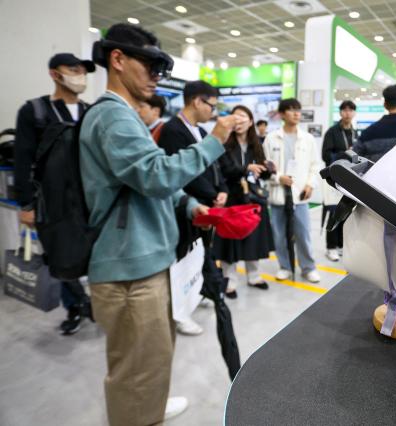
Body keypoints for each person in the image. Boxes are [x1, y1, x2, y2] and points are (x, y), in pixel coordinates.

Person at [79, 23, 239, 425]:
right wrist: (214, 141)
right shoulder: (113, 117)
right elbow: (154, 175)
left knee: (149, 360)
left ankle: (147, 404)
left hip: (143, 262)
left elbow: (148, 182)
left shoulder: (125, 117)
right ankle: (139, 413)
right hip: (128, 269)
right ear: (117, 60)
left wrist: (189, 207)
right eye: (149, 65)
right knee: (136, 369)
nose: (156, 76)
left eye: (159, 67)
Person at [14, 52, 95, 335]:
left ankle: (94, 303)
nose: (79, 75)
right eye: (72, 69)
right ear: (54, 73)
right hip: (51, 199)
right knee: (60, 255)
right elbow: (22, 160)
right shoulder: (35, 111)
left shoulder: (90, 111)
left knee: (91, 252)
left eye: (83, 70)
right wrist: (25, 203)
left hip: (88, 199)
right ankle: (75, 305)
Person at [157, 80, 229, 335]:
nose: (213, 111)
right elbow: (183, 173)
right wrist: (210, 194)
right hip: (183, 206)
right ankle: (179, 313)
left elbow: (212, 165)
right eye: (211, 105)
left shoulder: (199, 130)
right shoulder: (172, 131)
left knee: (199, 254)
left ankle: (199, 291)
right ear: (197, 101)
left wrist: (221, 190)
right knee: (182, 260)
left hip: (203, 206)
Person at [214, 105, 274, 297]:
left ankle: (254, 275)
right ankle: (229, 280)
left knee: (254, 239)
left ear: (250, 122)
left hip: (253, 200)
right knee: (229, 241)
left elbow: (261, 175)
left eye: (242, 118)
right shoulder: (224, 143)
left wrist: (268, 170)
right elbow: (224, 170)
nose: (238, 122)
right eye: (235, 117)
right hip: (231, 199)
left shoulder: (257, 146)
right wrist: (246, 168)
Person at [263, 98, 322, 283]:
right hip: (279, 194)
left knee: (303, 234)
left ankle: (308, 267)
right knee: (279, 235)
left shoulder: (308, 139)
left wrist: (310, 184)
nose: (296, 113)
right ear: (281, 114)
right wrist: (278, 177)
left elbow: (315, 165)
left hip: (300, 195)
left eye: (298, 109)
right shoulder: (271, 138)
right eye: (291, 110)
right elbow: (266, 167)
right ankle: (285, 266)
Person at [321, 100, 357, 261]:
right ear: (340, 112)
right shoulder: (332, 132)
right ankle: (330, 247)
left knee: (346, 212)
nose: (347, 113)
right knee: (333, 213)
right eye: (345, 110)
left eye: (351, 110)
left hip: (351, 179)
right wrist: (344, 154)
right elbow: (326, 156)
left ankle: (341, 245)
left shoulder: (355, 133)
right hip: (333, 179)